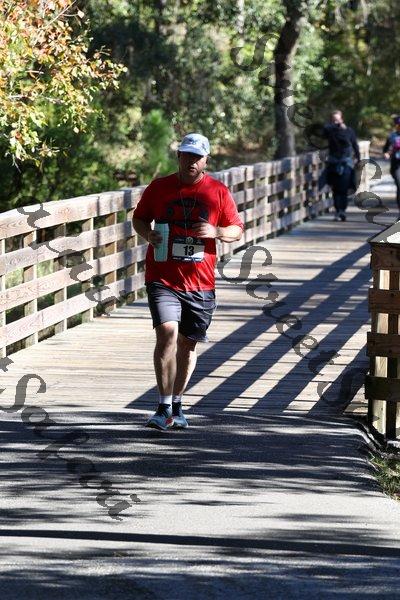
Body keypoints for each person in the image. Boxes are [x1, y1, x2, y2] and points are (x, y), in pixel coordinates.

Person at [132, 133, 244, 430]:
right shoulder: (159, 188)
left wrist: (217, 232)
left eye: (197, 157)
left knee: (187, 345)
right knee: (167, 333)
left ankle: (177, 403)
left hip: (200, 282)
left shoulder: (218, 191)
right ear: (178, 156)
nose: (191, 161)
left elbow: (237, 229)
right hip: (162, 276)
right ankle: (162, 407)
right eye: (186, 155)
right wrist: (147, 234)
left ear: (206, 160)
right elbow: (139, 218)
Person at [323, 110, 360, 222]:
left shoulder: (349, 131)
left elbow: (354, 144)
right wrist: (332, 127)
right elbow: (323, 133)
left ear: (342, 119)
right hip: (333, 163)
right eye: (334, 120)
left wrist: (358, 158)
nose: (336, 122)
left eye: (338, 120)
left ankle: (342, 210)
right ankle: (337, 210)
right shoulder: (330, 131)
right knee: (335, 188)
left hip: (346, 163)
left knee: (343, 188)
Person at [383, 115, 400, 215]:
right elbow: (385, 149)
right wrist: (386, 153)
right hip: (396, 165)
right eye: (398, 125)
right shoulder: (392, 136)